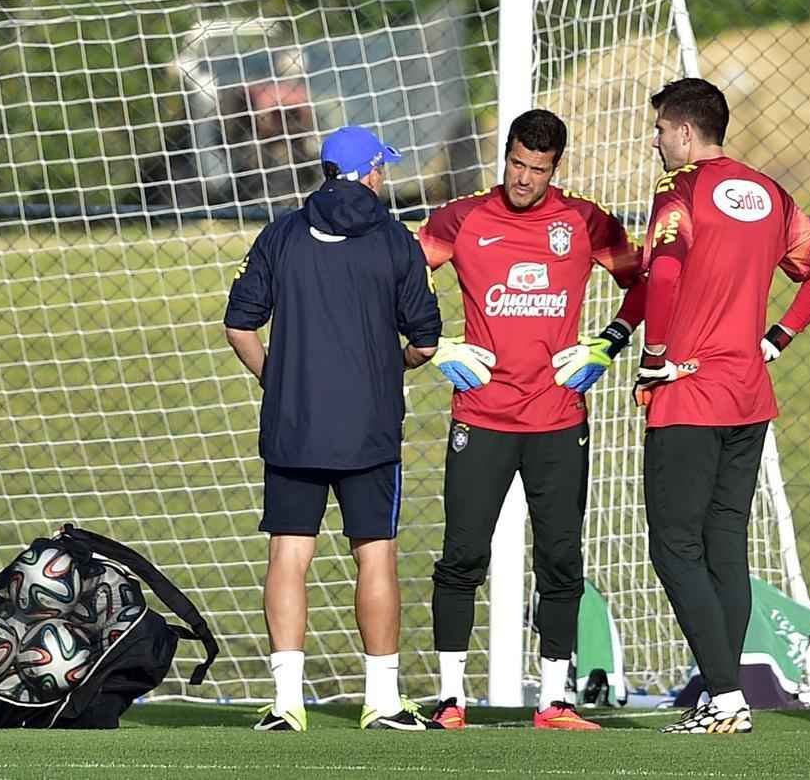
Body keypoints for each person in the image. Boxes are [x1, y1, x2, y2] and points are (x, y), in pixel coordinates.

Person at [416, 108, 647, 730]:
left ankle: (555, 701)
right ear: (506, 157)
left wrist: (609, 343)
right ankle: (449, 699)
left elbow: (647, 283)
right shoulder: (462, 218)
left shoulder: (587, 221)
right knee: (462, 555)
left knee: (561, 559)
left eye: (537, 169)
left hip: (557, 418)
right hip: (482, 416)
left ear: (555, 167)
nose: (523, 178)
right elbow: (397, 278)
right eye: (516, 164)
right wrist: (436, 344)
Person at [633, 78, 810, 735]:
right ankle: (725, 699)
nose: (655, 141)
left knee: (674, 548)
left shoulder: (679, 189)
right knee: (724, 545)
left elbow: (666, 273)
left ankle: (725, 696)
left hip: (689, 392)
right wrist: (778, 337)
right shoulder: (770, 193)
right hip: (749, 395)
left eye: (660, 130)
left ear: (684, 131)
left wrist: (654, 355)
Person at [224, 125, 443, 732]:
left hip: (294, 424)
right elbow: (425, 342)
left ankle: (285, 703)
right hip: (369, 427)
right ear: (370, 172)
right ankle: (383, 701)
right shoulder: (396, 239)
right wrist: (389, 366)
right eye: (382, 167)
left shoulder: (281, 233)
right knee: (375, 556)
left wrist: (278, 380)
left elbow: (240, 326)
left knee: (288, 554)